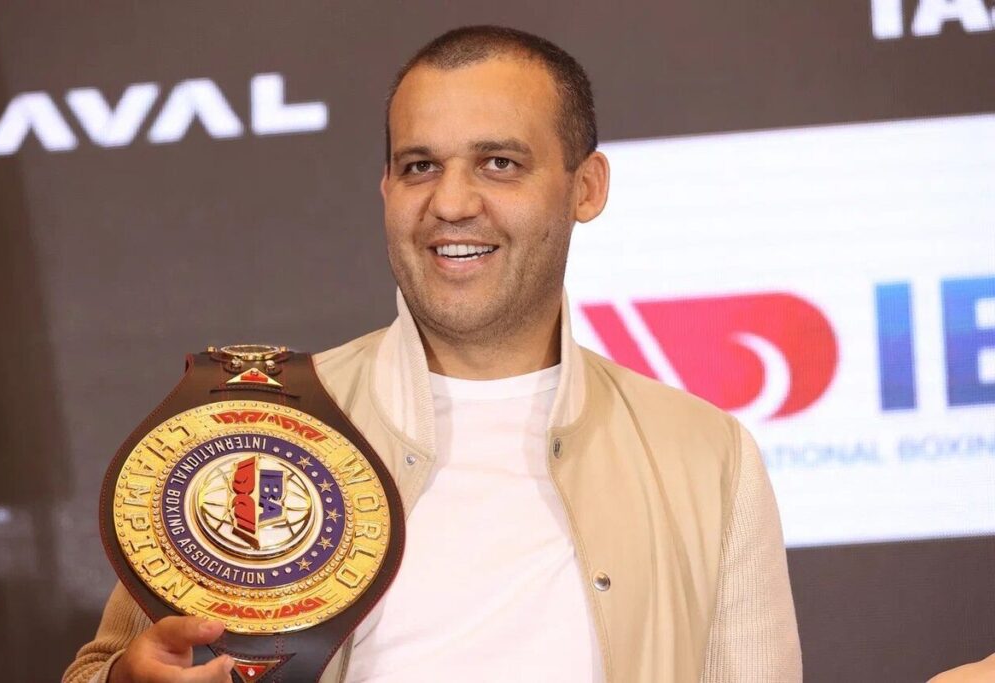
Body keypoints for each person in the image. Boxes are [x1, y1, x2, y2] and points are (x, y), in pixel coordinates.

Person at [64, 25, 802, 683]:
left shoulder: (706, 455)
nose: (450, 203)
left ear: (585, 188)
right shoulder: (251, 423)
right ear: (386, 187)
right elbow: (103, 669)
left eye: (499, 163)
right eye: (420, 166)